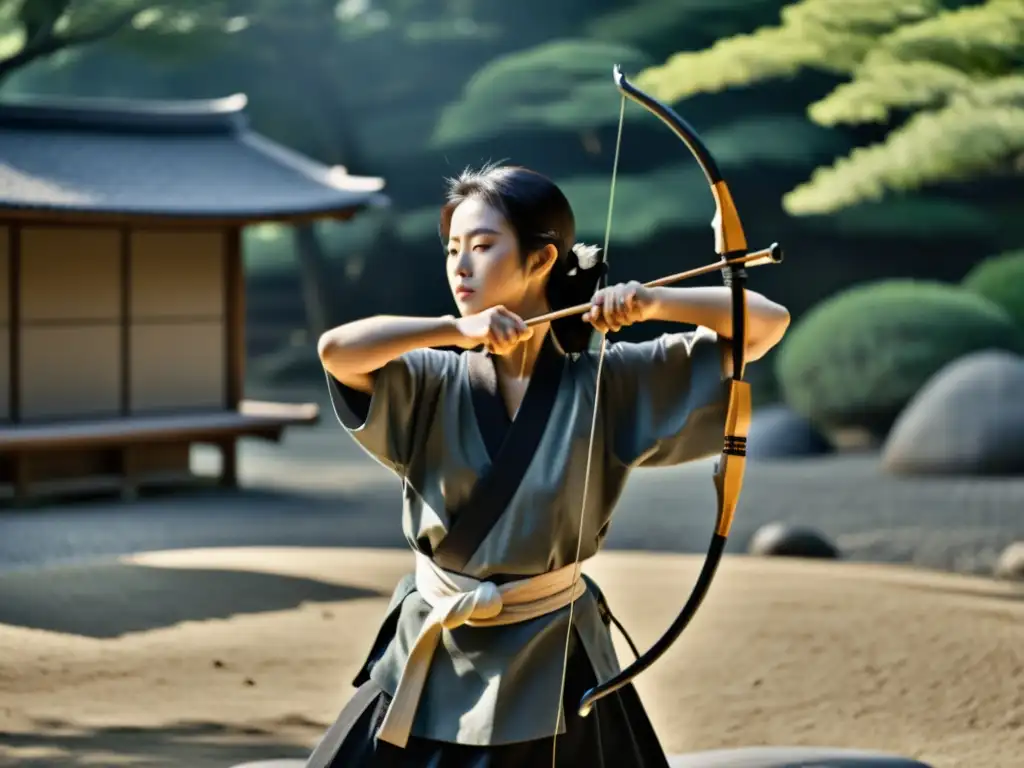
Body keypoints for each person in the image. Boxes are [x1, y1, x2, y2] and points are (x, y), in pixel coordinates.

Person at [311, 163, 790, 768]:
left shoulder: (610, 381)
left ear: (541, 261)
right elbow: (336, 351)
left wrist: (653, 303)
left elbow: (767, 325)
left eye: (482, 247)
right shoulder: (431, 374)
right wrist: (452, 331)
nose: (460, 266)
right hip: (434, 643)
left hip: (552, 649)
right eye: (453, 248)